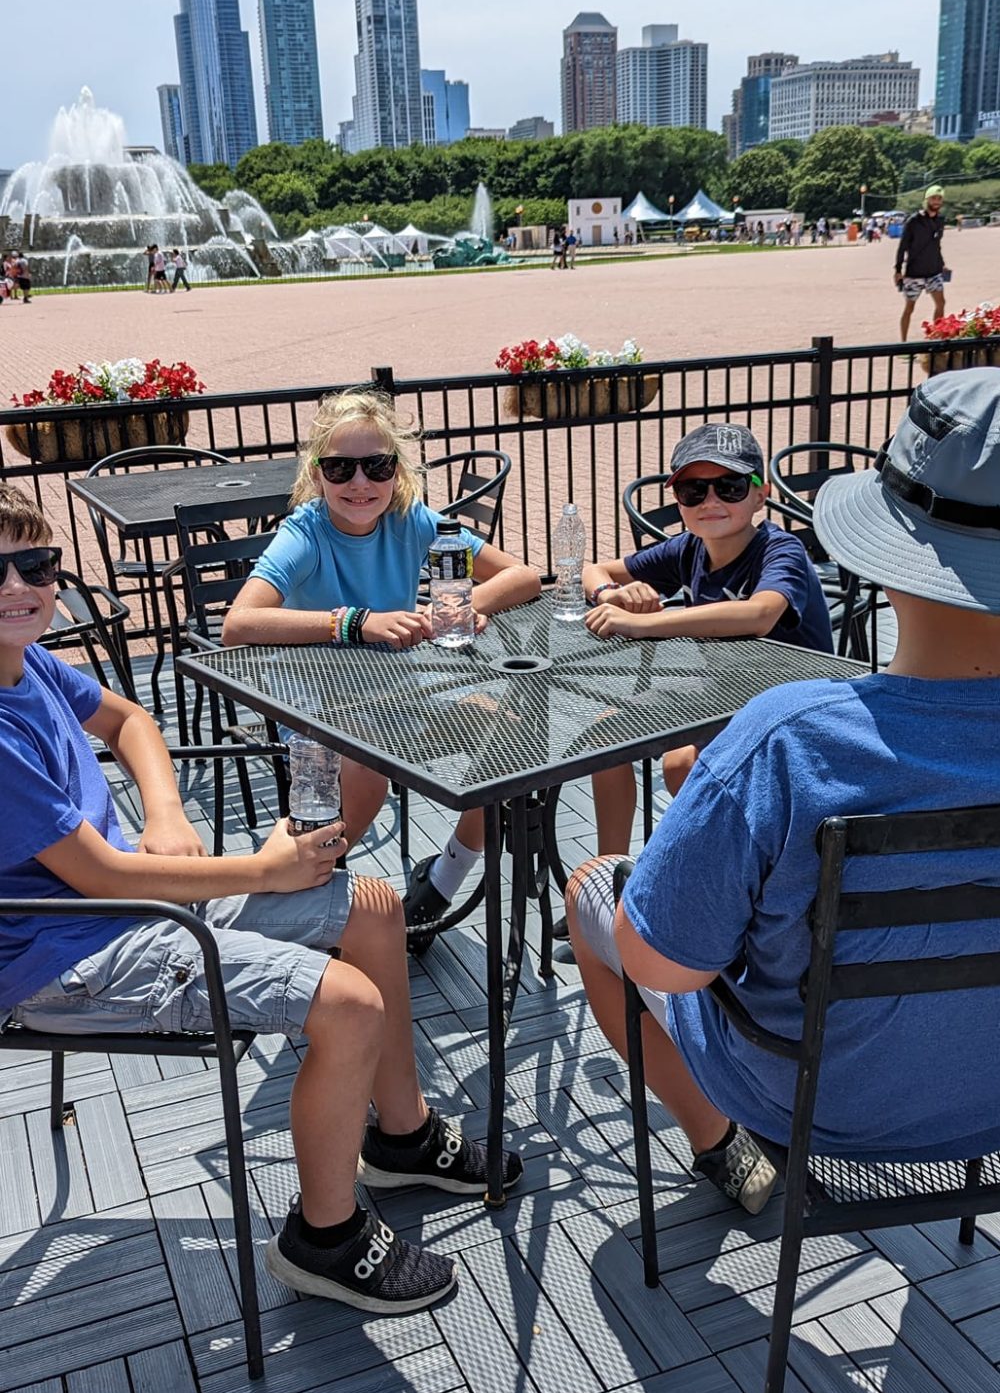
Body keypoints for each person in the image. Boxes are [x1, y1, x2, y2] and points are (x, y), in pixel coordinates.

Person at [0, 482, 523, 1314]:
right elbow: (99, 878)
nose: (18, 586)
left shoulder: (29, 665)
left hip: (133, 907)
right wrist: (261, 872)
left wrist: (168, 815)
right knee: (347, 1005)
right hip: (68, 956)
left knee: (376, 905)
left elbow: (131, 719)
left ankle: (402, 1134)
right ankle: (326, 1238)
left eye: (34, 563)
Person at [567, 366, 1000, 1216]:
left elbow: (661, 964)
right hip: (987, 1098)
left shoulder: (789, 741)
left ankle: (719, 1142)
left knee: (594, 891)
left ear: (894, 549)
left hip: (816, 1096)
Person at [222, 391, 541, 951]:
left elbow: (523, 577)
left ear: (398, 471)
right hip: (322, 713)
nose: (360, 483)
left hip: (401, 699)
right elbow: (239, 624)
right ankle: (309, 912)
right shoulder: (307, 532)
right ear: (317, 473)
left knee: (511, 729)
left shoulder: (411, 521)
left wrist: (469, 604)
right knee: (366, 766)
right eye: (341, 467)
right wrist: (353, 622)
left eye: (377, 466)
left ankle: (441, 882)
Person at [580, 424, 833, 856]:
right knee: (608, 737)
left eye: (730, 487)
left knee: (686, 764)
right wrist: (612, 594)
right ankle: (611, 873)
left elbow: (759, 613)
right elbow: (593, 569)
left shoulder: (779, 549)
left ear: (760, 494)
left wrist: (642, 623)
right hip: (724, 697)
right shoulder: (687, 548)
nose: (711, 501)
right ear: (678, 500)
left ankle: (735, 861)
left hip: (791, 711)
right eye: (694, 490)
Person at [894, 184, 948, 342]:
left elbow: (936, 244)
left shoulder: (940, 221)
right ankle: (903, 343)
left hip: (934, 271)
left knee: (941, 303)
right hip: (914, 272)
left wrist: (942, 263)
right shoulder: (914, 221)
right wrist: (898, 270)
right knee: (909, 308)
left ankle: (936, 338)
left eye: (939, 198)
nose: (936, 201)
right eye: (933, 198)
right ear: (926, 200)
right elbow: (902, 246)